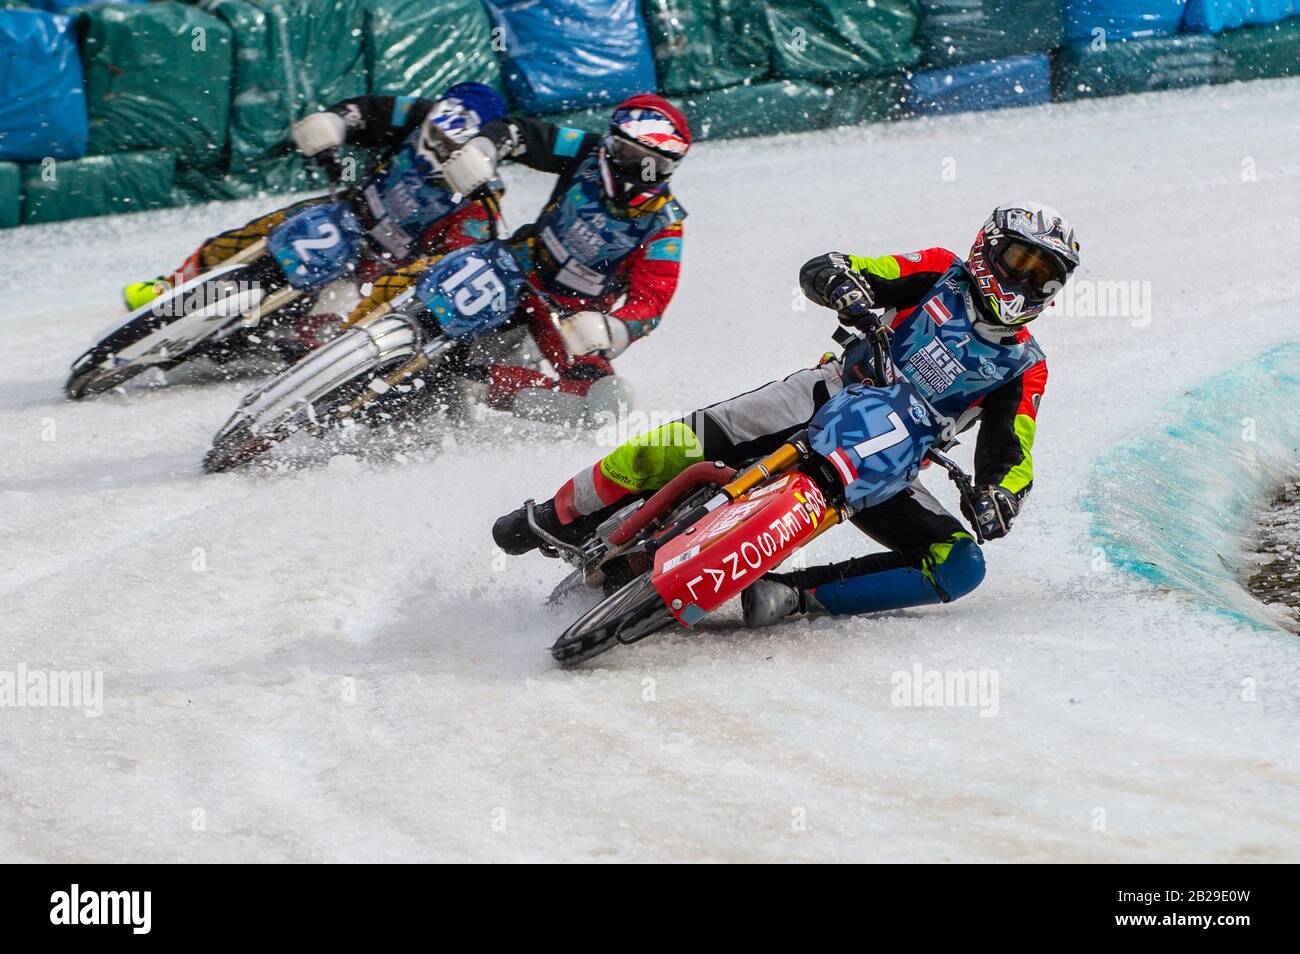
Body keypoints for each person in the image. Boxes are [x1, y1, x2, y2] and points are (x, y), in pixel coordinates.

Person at [492, 201, 1079, 627]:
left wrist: (1000, 495)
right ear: (987, 248)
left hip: (889, 463)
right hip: (828, 390)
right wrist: (844, 286)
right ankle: (558, 513)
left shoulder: (1026, 365)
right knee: (685, 439)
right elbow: (839, 265)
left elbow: (1012, 450)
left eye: (1041, 274)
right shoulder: (938, 271)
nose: (1023, 280)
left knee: (960, 566)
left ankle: (795, 597)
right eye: (1018, 260)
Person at [335, 93, 691, 424]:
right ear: (611, 143)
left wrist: (616, 328)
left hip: (569, 316)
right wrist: (484, 149)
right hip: (512, 266)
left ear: (672, 167)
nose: (639, 172)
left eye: (654, 164)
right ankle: (341, 342)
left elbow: (651, 304)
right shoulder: (585, 150)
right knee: (417, 276)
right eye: (630, 156)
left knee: (602, 403)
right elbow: (519, 132)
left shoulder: (665, 227)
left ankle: (472, 385)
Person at [120, 82, 510, 334]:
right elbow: (361, 110)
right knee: (257, 231)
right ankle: (170, 288)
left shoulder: (483, 199)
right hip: (345, 214)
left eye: (449, 145)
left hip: (386, 265)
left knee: (328, 325)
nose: (436, 146)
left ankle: (318, 357)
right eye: (435, 134)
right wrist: (332, 131)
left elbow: (454, 260)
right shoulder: (415, 114)